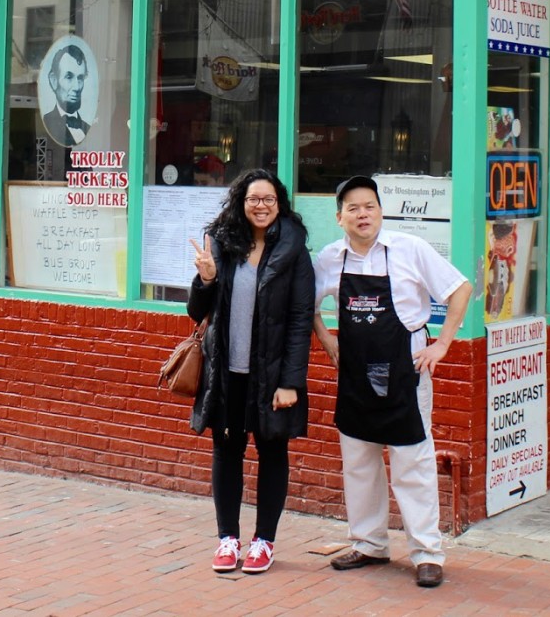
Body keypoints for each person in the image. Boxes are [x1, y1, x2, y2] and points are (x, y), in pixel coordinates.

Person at [312, 175, 474, 589]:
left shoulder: (410, 249)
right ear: (339, 217)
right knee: (359, 461)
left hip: (407, 368)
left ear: (381, 211)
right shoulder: (330, 259)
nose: (362, 214)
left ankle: (426, 553)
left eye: (369, 206)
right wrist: (327, 337)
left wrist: (441, 344)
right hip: (355, 373)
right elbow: (307, 305)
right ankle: (369, 544)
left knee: (412, 462)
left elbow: (461, 289)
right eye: (353, 208)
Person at [187, 169, 314, 576]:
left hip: (273, 375)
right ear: (241, 202)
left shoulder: (293, 250)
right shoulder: (222, 245)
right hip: (227, 370)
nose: (261, 206)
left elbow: (299, 318)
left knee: (273, 450)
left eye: (269, 200)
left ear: (280, 205)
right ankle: (228, 538)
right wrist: (205, 279)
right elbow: (197, 311)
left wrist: (291, 382)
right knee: (226, 450)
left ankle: (264, 541)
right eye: (253, 199)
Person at [41, 43, 91, 146]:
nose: (77, 87)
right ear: (54, 80)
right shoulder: (45, 123)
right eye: (69, 77)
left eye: (80, 78)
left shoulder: (88, 128)